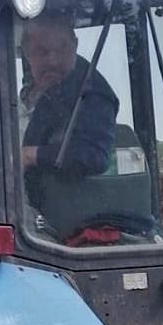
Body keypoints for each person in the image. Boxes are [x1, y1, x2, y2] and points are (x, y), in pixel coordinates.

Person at [19, 14, 118, 193]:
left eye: (62, 49)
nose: (53, 60)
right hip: (14, 200)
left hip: (66, 212)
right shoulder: (23, 90)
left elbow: (94, 156)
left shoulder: (92, 92)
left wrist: (29, 155)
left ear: (75, 45)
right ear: (26, 53)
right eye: (42, 51)